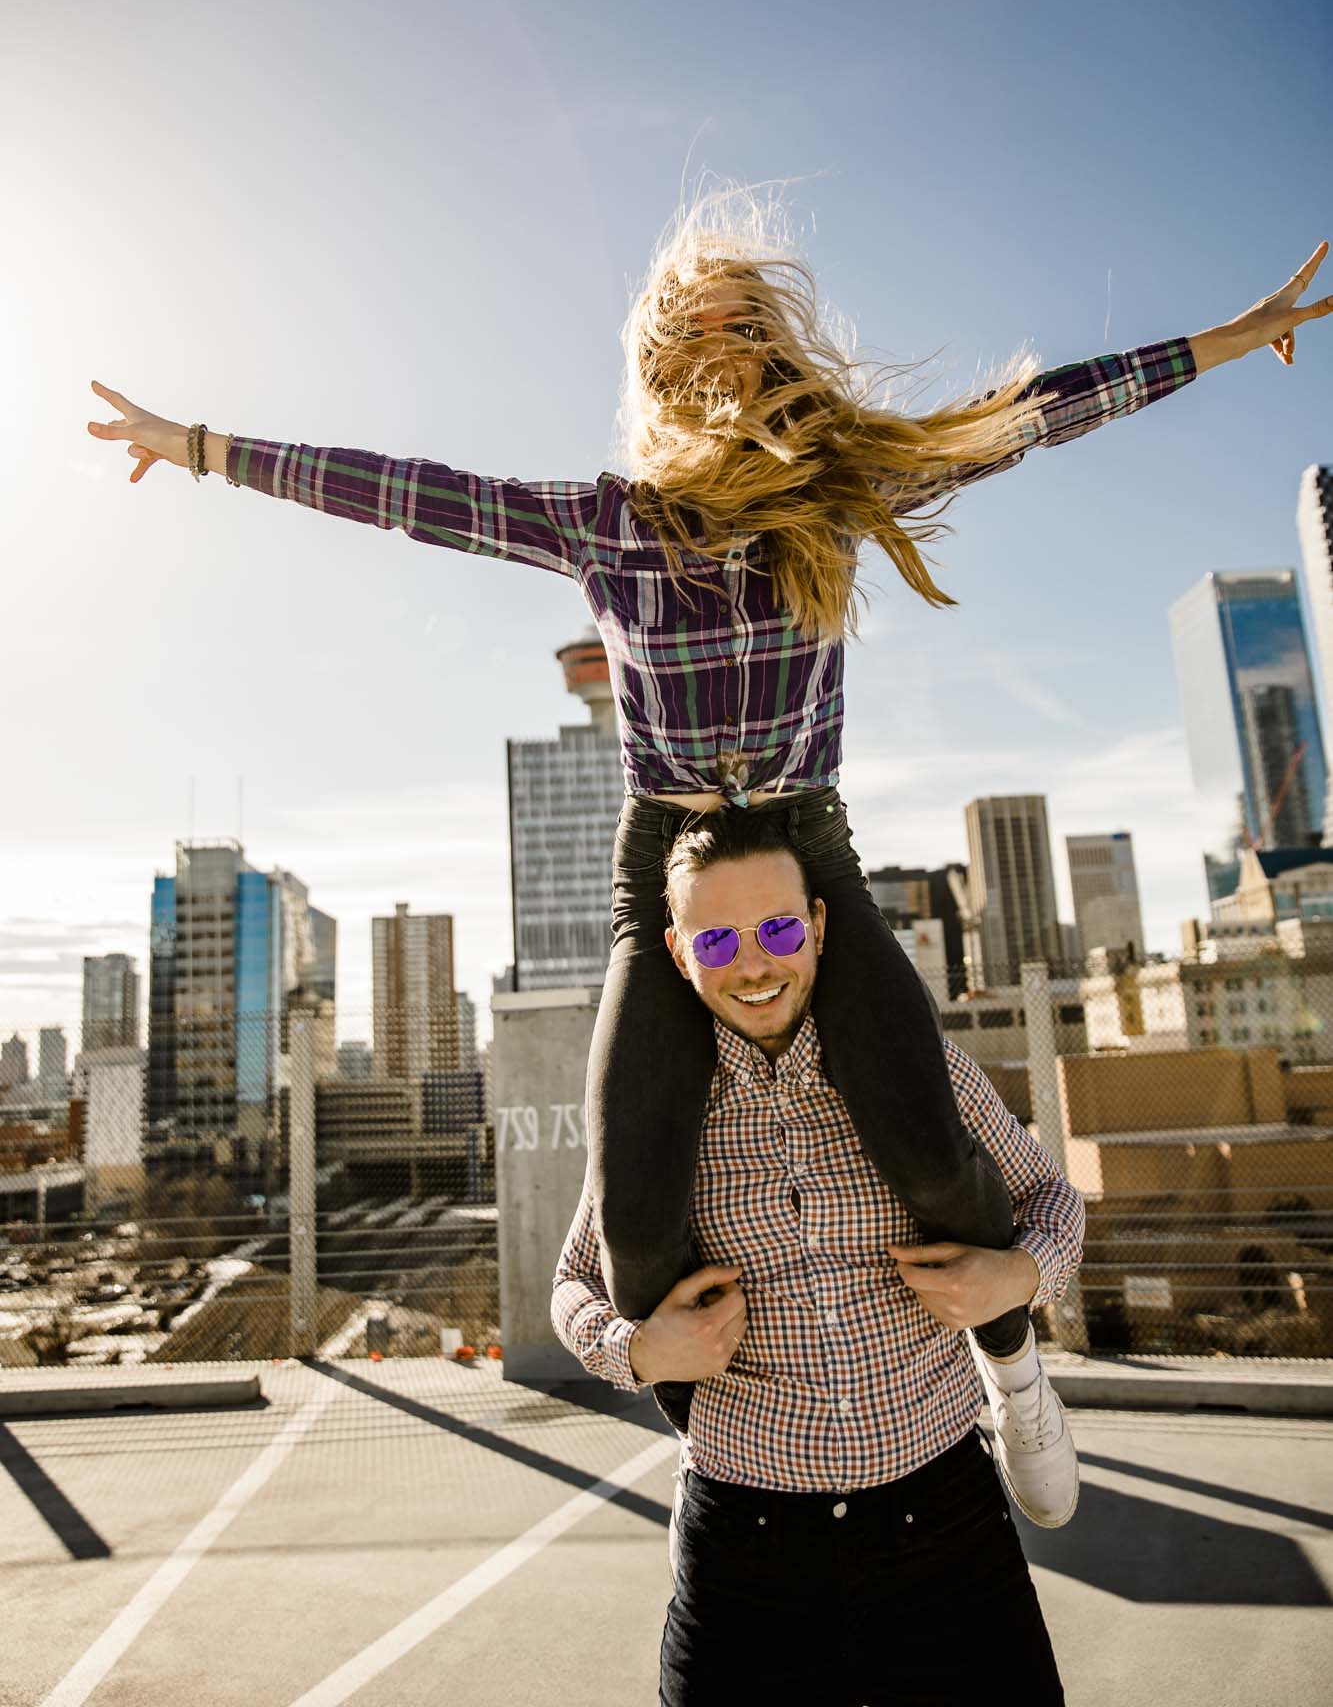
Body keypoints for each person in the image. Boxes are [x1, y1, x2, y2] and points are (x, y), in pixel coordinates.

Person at [86, 190, 1329, 1498]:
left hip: (810, 849)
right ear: (666, 367)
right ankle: (719, 1444)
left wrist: (1231, 338)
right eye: (702, 334)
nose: (731, 354)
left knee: (918, 1133)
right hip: (663, 868)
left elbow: (1029, 415)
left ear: (777, 350)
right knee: (632, 1182)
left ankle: (1013, 1371)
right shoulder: (605, 520)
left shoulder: (839, 488)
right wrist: (201, 446)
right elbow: (413, 497)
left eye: (750, 329)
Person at [551, 805, 1085, 1705]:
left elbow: (1050, 1200)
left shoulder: (921, 1074)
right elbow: (572, 1286)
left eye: (778, 929)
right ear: (678, 955)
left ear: (822, 925)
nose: (753, 964)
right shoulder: (658, 1115)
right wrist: (637, 1351)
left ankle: (1018, 1379)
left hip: (943, 1522)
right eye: (715, 942)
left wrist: (1016, 1277)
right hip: (743, 1550)